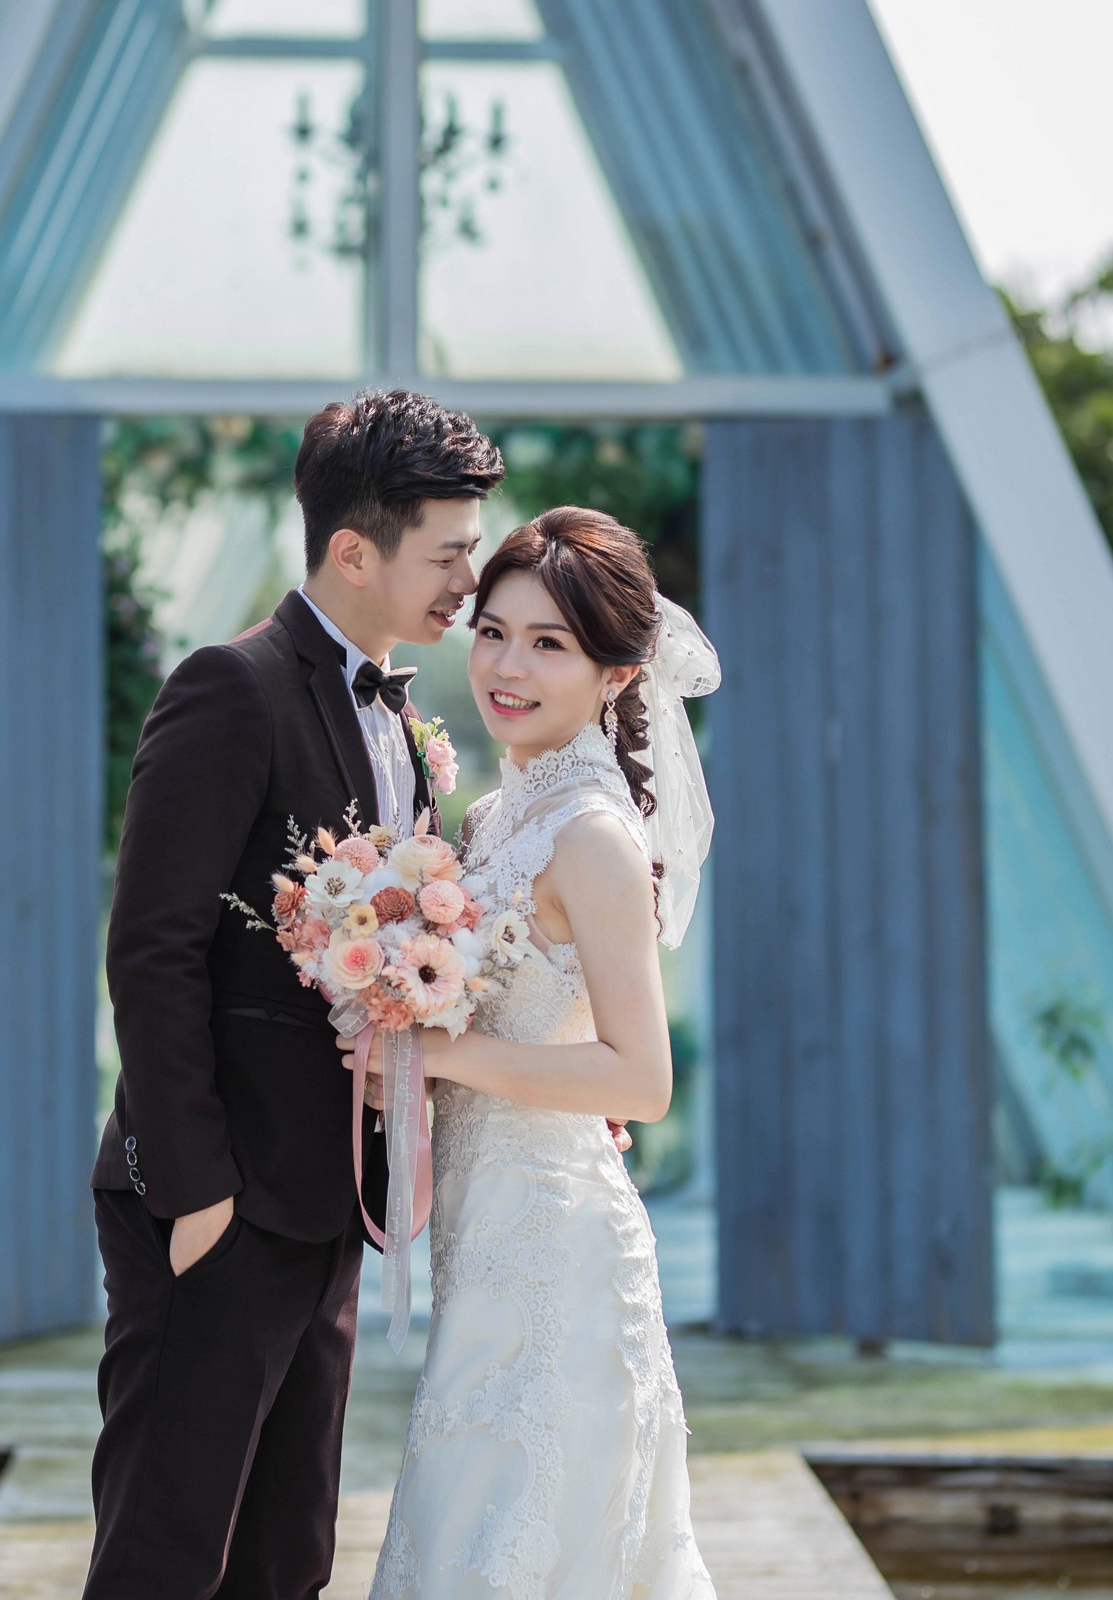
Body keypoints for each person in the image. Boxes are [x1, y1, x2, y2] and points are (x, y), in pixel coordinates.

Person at [87, 389, 505, 1598]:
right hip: (219, 1202)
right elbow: (152, 948)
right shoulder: (231, 687)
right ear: (354, 552)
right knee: (166, 1560)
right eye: (447, 553)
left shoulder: (404, 720)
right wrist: (197, 1193)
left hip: (328, 1206)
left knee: (287, 1563)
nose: (468, 581)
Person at [364, 507, 723, 1599]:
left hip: (558, 1253)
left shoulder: (594, 836)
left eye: (548, 643)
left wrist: (441, 1053)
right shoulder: (492, 817)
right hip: (483, 1242)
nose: (506, 667)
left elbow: (640, 1079)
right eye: (492, 632)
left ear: (617, 673)